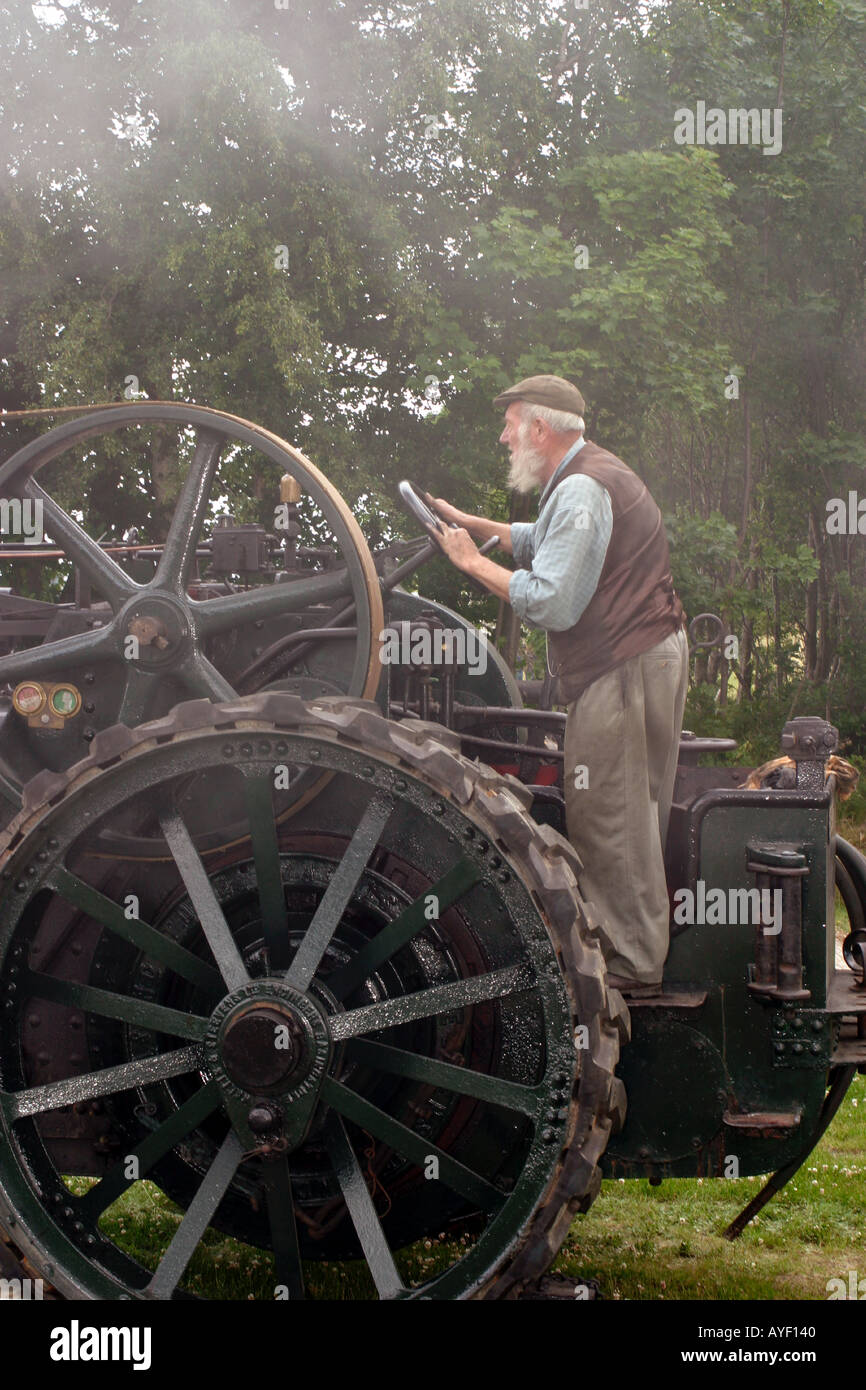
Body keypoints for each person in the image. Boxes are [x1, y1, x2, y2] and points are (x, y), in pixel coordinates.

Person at [429, 374, 689, 996]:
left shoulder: (580, 489)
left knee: (610, 817)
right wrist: (472, 524)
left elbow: (552, 601)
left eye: (511, 424)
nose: (503, 436)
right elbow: (538, 542)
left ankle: (629, 974)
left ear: (540, 430)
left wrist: (471, 561)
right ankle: (636, 953)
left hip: (620, 666)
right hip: (639, 656)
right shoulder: (586, 476)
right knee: (631, 812)